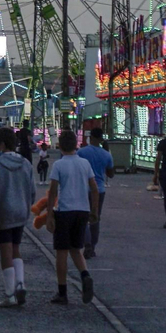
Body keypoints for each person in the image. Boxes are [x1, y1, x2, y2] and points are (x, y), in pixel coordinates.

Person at [46, 128, 98, 305]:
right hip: (82, 211)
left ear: (60, 145)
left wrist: (49, 215)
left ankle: (62, 292)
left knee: (61, 253)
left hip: (64, 211)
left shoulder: (59, 165)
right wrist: (94, 211)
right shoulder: (84, 163)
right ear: (76, 144)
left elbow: (53, 192)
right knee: (76, 249)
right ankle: (85, 275)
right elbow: (94, 189)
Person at [0, 127, 35, 307]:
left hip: (4, 212)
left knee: (5, 252)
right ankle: (21, 282)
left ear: (1, 144)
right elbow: (31, 190)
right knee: (16, 248)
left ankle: (10, 294)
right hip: (21, 211)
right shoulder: (26, 163)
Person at [77, 129, 115, 259]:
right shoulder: (106, 154)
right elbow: (111, 174)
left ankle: (86, 242)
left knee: (83, 217)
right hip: (99, 190)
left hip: (83, 188)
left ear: (91, 137)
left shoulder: (81, 152)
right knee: (95, 218)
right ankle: (92, 246)